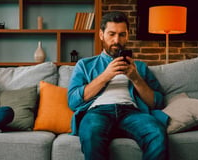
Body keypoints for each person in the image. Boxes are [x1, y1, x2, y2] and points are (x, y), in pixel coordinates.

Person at [67, 11, 169, 160]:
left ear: (127, 36)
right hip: (98, 112)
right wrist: (106, 75)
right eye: (111, 34)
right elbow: (73, 101)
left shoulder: (139, 67)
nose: (117, 40)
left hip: (132, 112)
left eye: (122, 34)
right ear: (101, 35)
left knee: (157, 132)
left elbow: (158, 102)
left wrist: (135, 78)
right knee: (91, 134)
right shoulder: (85, 65)